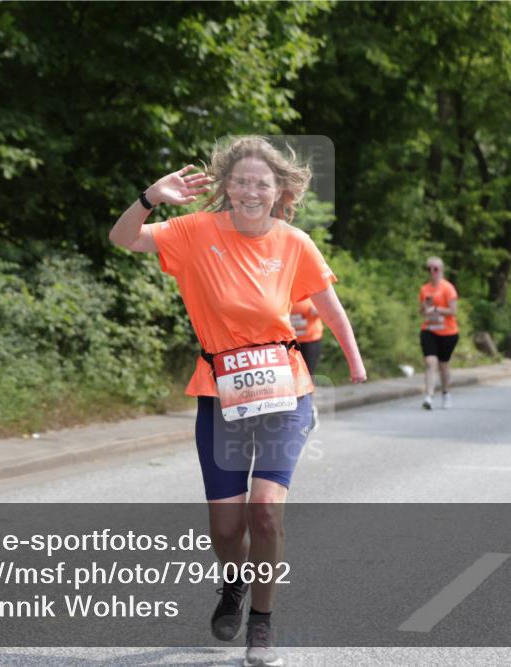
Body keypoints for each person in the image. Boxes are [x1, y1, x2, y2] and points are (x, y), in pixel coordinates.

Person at [109, 136, 367, 667]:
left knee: (265, 512)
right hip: (219, 391)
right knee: (226, 529)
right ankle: (234, 584)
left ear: (279, 192)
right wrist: (150, 197)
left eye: (262, 184)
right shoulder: (193, 232)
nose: (251, 191)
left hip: (284, 387)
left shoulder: (295, 243)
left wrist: (356, 363)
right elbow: (122, 238)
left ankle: (263, 624)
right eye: (242, 181)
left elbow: (332, 310)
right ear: (226, 187)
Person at [419, 256, 458, 409]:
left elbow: (453, 310)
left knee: (443, 365)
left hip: (448, 332)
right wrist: (425, 307)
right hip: (429, 330)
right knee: (430, 362)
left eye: (435, 269)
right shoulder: (424, 289)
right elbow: (421, 311)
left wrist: (436, 309)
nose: (432, 272)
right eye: (429, 269)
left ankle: (446, 393)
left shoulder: (448, 288)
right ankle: (428, 396)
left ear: (441, 270)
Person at [290, 298, 323, 431]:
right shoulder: (281, 286)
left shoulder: (311, 288)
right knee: (290, 379)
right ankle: (295, 412)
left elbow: (329, 309)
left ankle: (309, 411)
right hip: (289, 341)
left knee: (308, 377)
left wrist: (319, 310)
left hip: (310, 339)